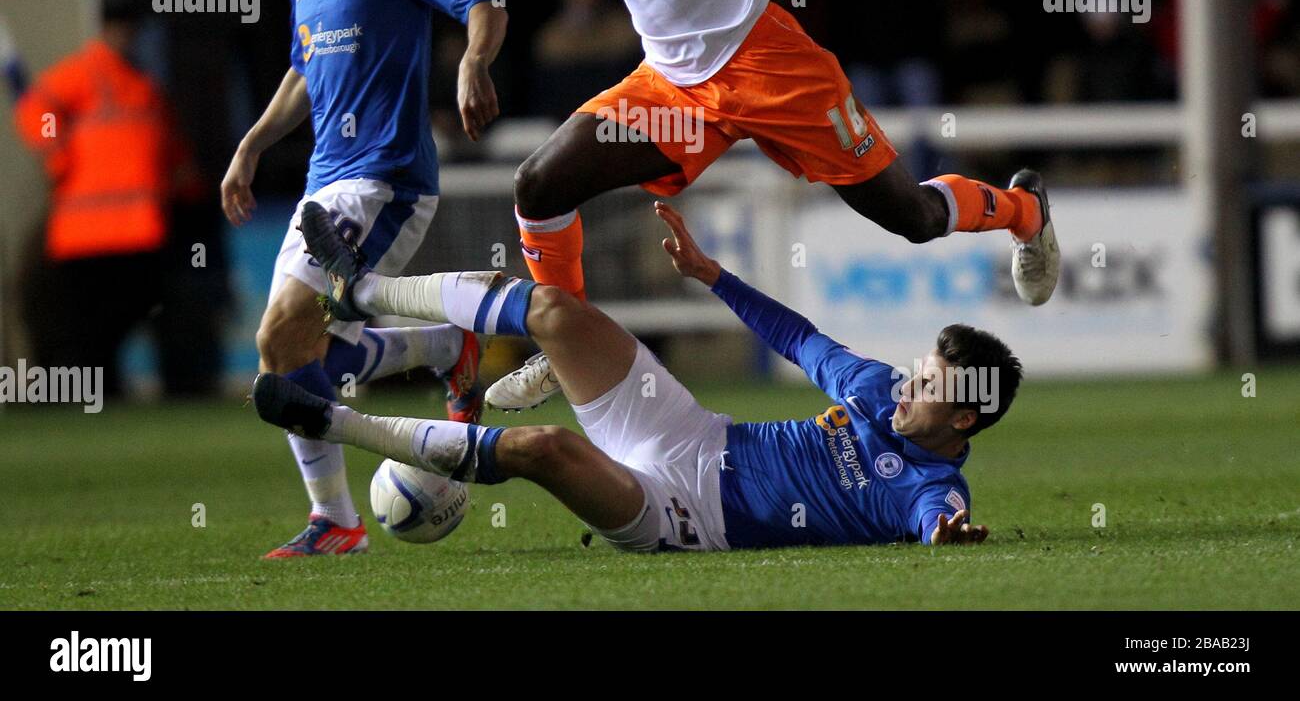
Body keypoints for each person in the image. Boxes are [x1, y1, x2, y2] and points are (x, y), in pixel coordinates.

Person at [361, 0, 1059, 412]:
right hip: (676, 86)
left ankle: (1025, 210)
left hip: (768, 66)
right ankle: (562, 334)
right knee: (539, 185)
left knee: (913, 218)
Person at [255, 200, 1020, 551]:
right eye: (920, 373)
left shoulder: (934, 489)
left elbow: (937, 523)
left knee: (545, 448)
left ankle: (328, 420)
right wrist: (713, 274)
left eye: (928, 392)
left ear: (965, 420)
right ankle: (358, 289)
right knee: (552, 307)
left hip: (682, 515)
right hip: (683, 428)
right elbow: (798, 337)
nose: (906, 391)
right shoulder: (877, 390)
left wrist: (948, 537)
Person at [220, 0, 508, 558]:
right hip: (325, 182)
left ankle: (337, 521)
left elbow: (479, 1)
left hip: (386, 180)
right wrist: (251, 142)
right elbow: (305, 67)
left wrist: (473, 63)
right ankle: (442, 351)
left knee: (280, 336)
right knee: (290, 361)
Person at [12, 0, 207, 397]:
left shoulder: (146, 89)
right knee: (95, 333)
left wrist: (190, 192)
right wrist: (56, 155)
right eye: (120, 28)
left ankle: (129, 394)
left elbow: (172, 154)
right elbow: (36, 110)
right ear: (106, 31)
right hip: (89, 236)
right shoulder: (82, 76)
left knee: (121, 329)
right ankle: (94, 397)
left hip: (137, 232)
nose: (125, 37)